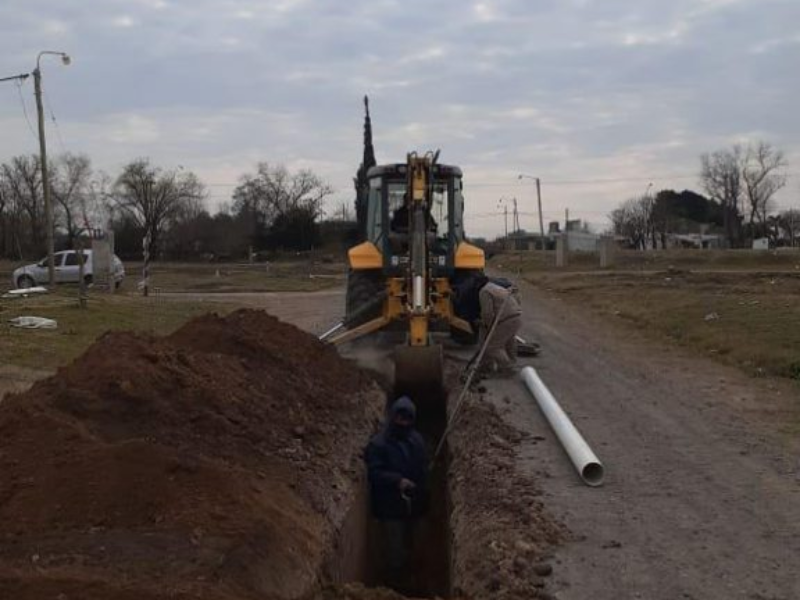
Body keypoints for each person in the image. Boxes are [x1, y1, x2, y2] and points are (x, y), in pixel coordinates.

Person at [364, 396, 428, 590]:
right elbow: (374, 473)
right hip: (390, 506)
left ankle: (413, 577)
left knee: (412, 543)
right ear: (392, 417)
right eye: (400, 418)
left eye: (407, 419)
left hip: (414, 505)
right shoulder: (378, 444)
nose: (403, 422)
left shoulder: (416, 439)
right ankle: (395, 585)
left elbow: (423, 466)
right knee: (395, 548)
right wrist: (397, 481)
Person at [477, 275, 522, 375]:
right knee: (509, 341)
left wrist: (487, 325)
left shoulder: (484, 291)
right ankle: (511, 362)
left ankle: (507, 367)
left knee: (492, 347)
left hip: (505, 319)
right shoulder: (496, 287)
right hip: (516, 316)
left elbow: (487, 313)